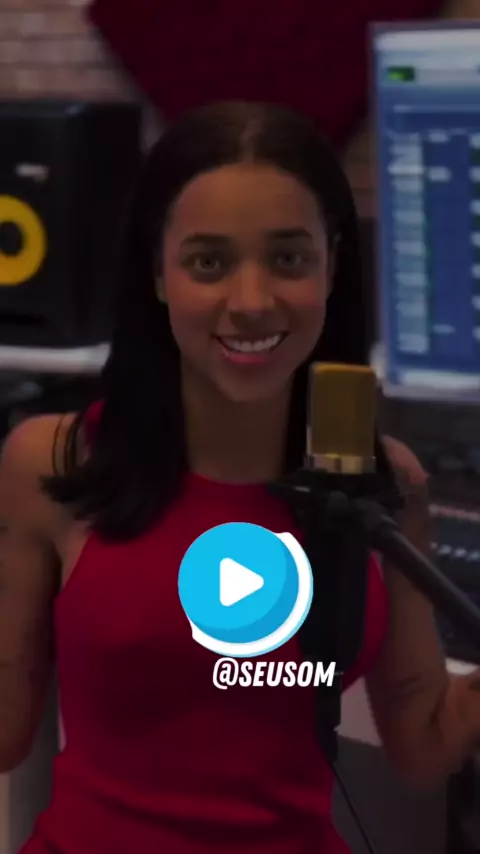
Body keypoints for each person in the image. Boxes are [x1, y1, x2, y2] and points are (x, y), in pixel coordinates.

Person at [0, 101, 478, 854]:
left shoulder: (389, 484)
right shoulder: (52, 462)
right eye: (208, 263)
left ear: (331, 266)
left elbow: (422, 742)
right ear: (158, 273)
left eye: (288, 260)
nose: (252, 302)